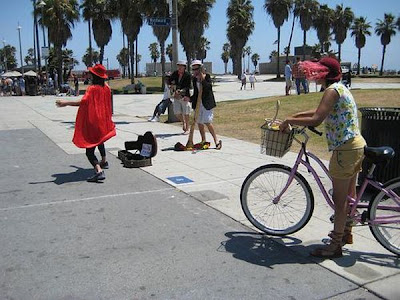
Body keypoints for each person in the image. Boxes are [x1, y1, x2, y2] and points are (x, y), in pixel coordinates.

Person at [279, 57, 366, 259]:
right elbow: (322, 111)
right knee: (349, 197)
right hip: (355, 145)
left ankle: (334, 246)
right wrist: (300, 114)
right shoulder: (339, 88)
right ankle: (346, 233)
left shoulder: (331, 90)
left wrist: (289, 120)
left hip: (345, 150)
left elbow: (318, 119)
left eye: (317, 72)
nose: (314, 76)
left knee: (340, 199)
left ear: (324, 74)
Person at [56, 64, 116, 182]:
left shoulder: (92, 89)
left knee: (89, 150)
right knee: (100, 140)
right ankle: (104, 161)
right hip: (103, 120)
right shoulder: (107, 88)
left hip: (93, 121)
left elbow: (83, 102)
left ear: (94, 76)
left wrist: (66, 103)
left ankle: (99, 171)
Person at [190, 60, 222, 150]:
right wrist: (190, 99)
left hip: (207, 103)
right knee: (200, 122)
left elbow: (208, 88)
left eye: (196, 69)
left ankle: (216, 140)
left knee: (207, 121)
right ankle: (203, 140)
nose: (195, 71)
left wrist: (202, 79)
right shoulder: (194, 79)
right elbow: (196, 93)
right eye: (193, 69)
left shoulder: (206, 77)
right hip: (198, 104)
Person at [170, 61, 191, 134]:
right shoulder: (175, 73)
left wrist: (181, 91)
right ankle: (183, 122)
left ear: (184, 67)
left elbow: (188, 86)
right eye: (178, 66)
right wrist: (172, 88)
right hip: (176, 96)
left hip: (184, 96)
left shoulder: (187, 75)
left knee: (186, 112)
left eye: (181, 66)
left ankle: (187, 128)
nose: (179, 67)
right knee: (177, 113)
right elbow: (171, 82)